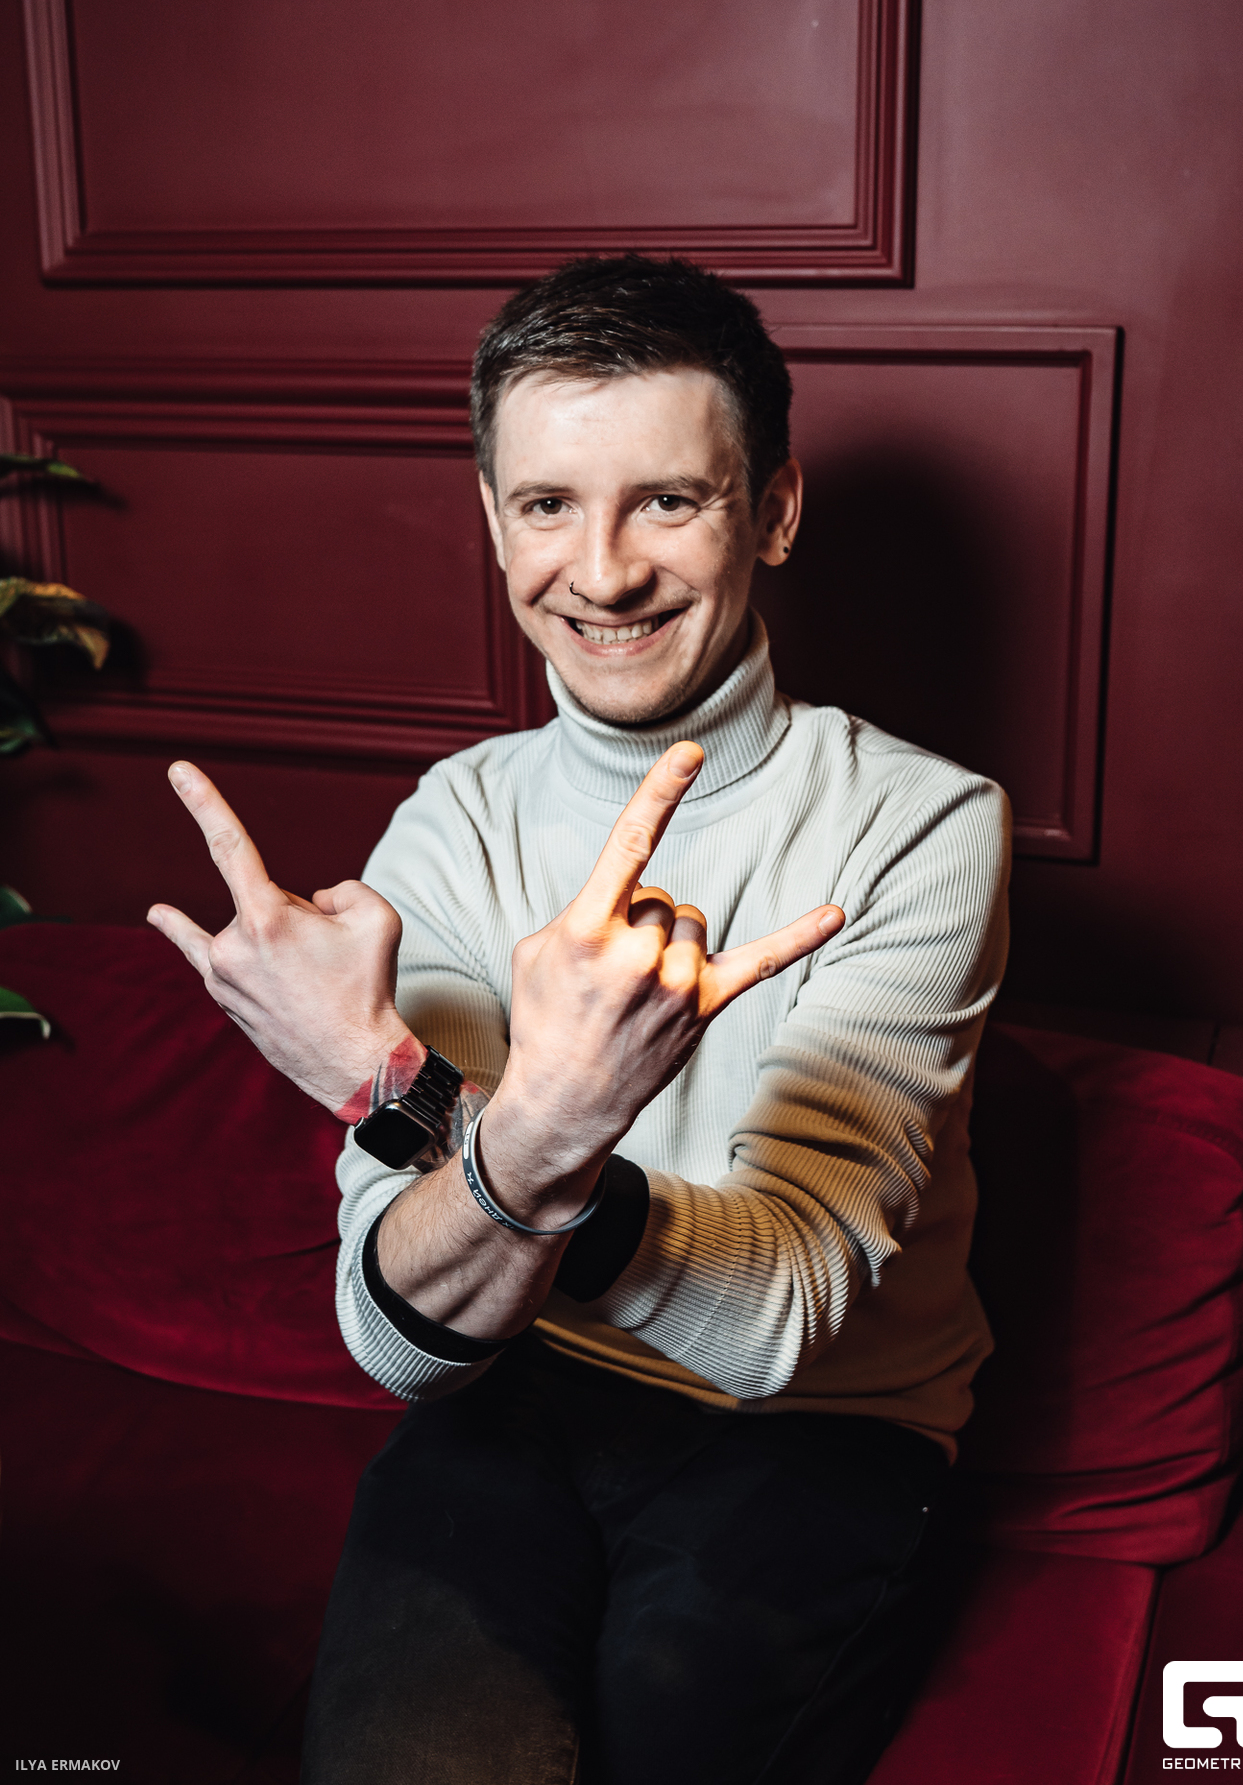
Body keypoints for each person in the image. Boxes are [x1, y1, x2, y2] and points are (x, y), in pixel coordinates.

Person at [148, 253, 1010, 1785]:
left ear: (774, 511)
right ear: (494, 523)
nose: (600, 575)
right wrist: (488, 1113)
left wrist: (405, 1091)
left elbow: (774, 1325)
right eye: (548, 505)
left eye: (666, 501)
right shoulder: (457, 821)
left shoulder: (920, 824)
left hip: (826, 1430)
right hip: (516, 1390)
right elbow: (399, 1343)